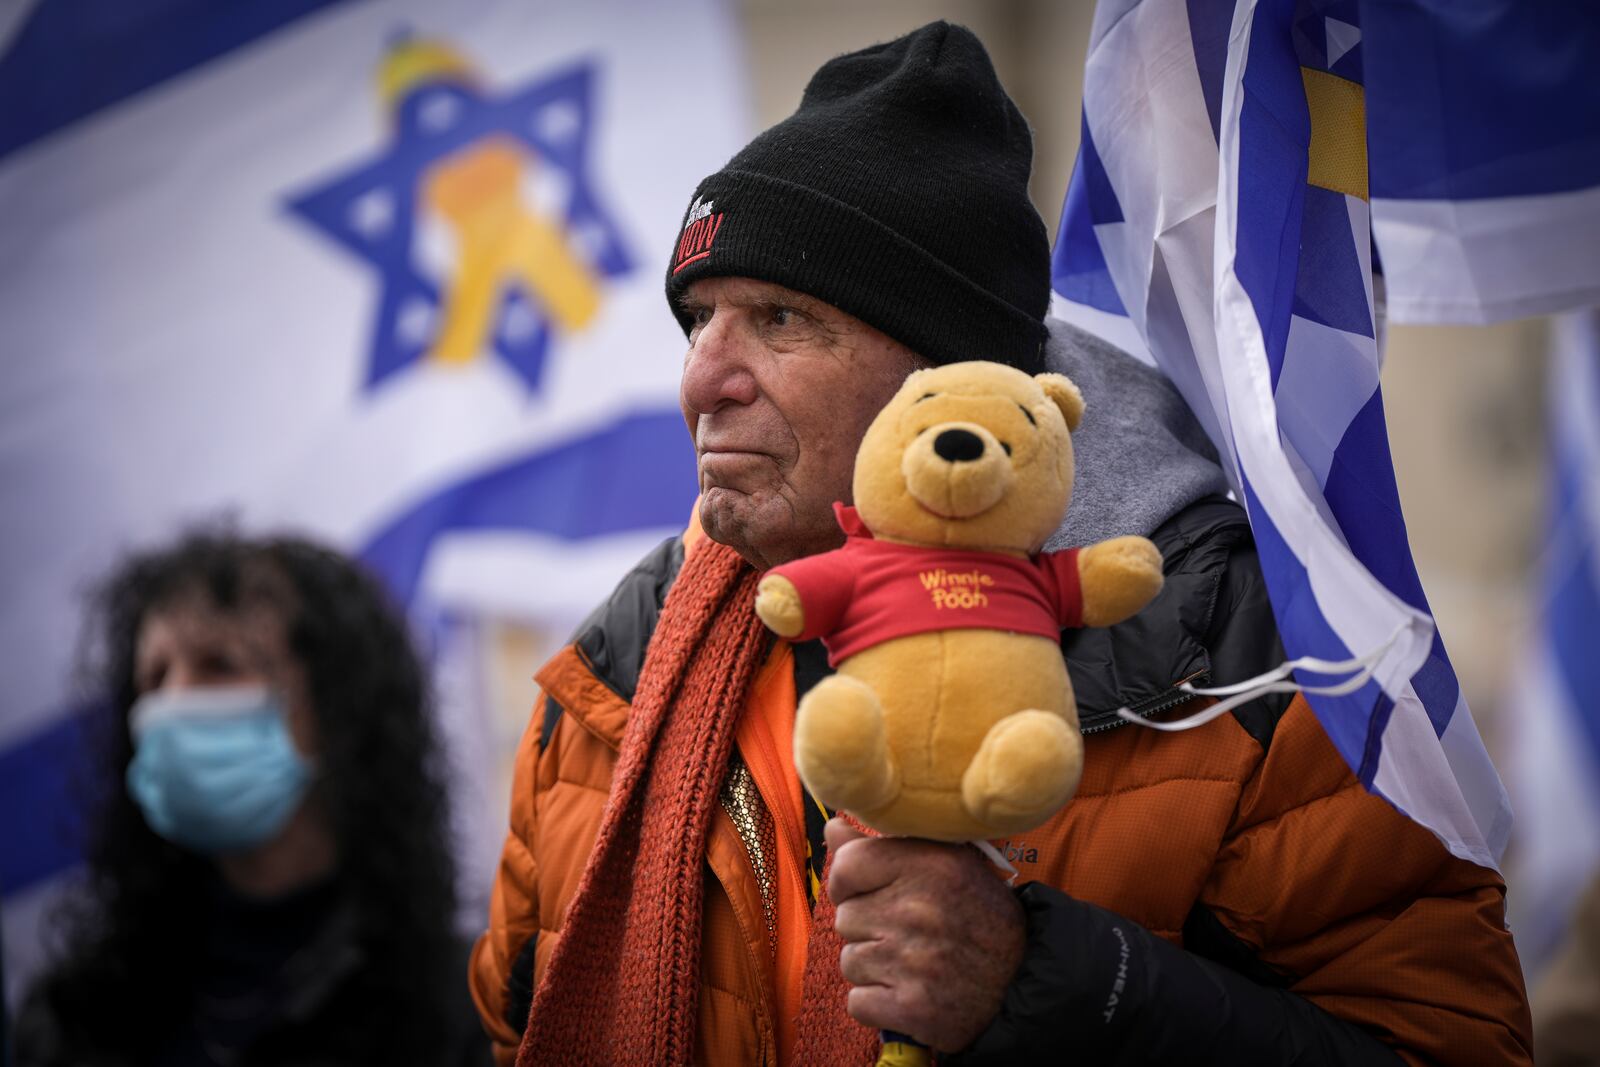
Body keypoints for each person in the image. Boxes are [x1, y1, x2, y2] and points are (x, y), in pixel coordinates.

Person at [469, 21, 1533, 1065]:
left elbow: (1446, 1042)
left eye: (781, 318)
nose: (703, 377)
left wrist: (1047, 978)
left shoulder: (1242, 666)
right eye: (699, 318)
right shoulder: (618, 667)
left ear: (948, 376)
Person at [15, 532, 490, 1067]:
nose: (172, 705)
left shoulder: (462, 1015)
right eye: (154, 677)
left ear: (337, 712)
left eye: (219, 665)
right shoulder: (75, 1018)